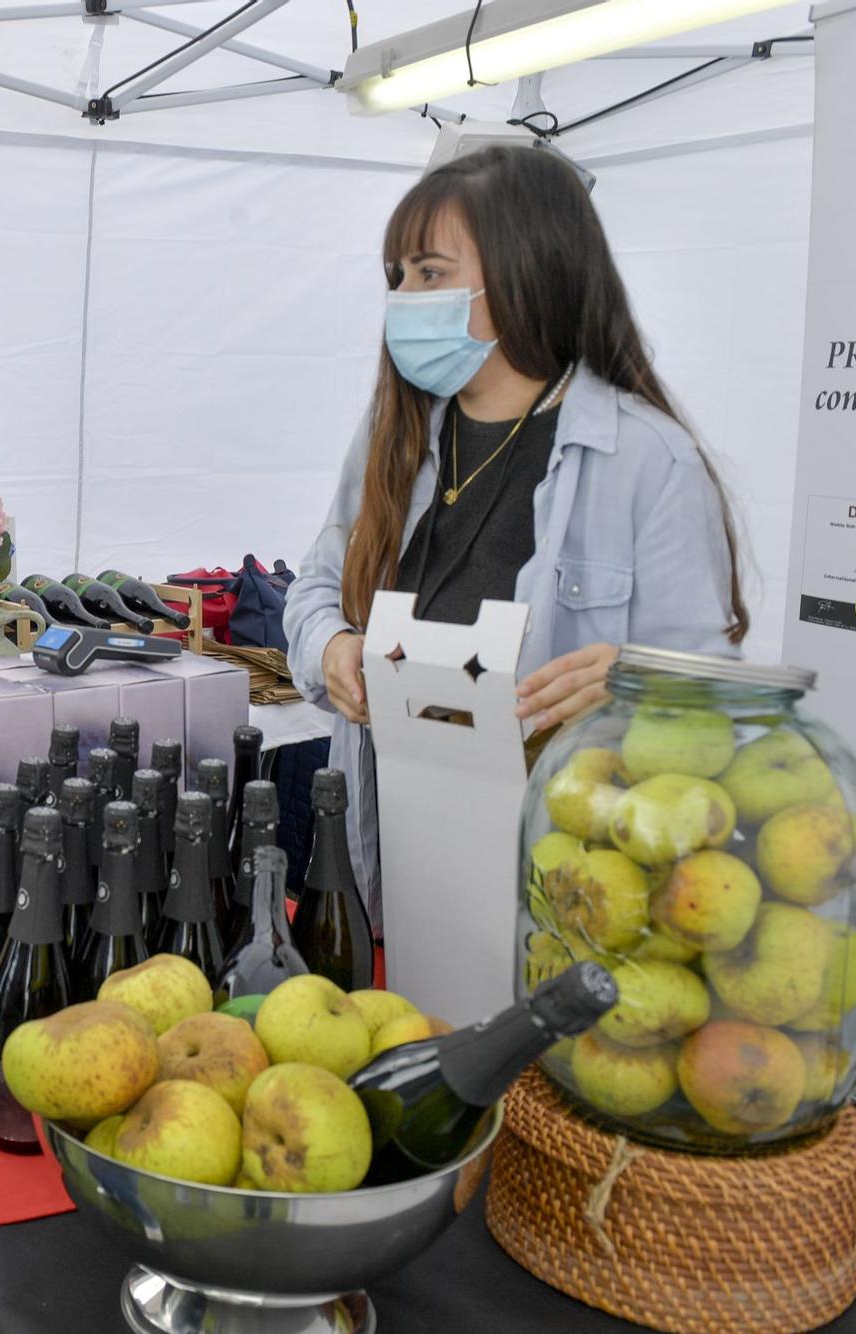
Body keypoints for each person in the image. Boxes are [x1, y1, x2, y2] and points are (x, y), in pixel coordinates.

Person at [283, 145, 747, 929]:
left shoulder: (645, 459)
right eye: (396, 276)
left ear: (527, 270)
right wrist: (329, 645)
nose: (403, 297)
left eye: (430, 273)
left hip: (564, 883)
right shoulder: (394, 433)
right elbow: (314, 586)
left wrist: (639, 683)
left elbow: (714, 702)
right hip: (395, 860)